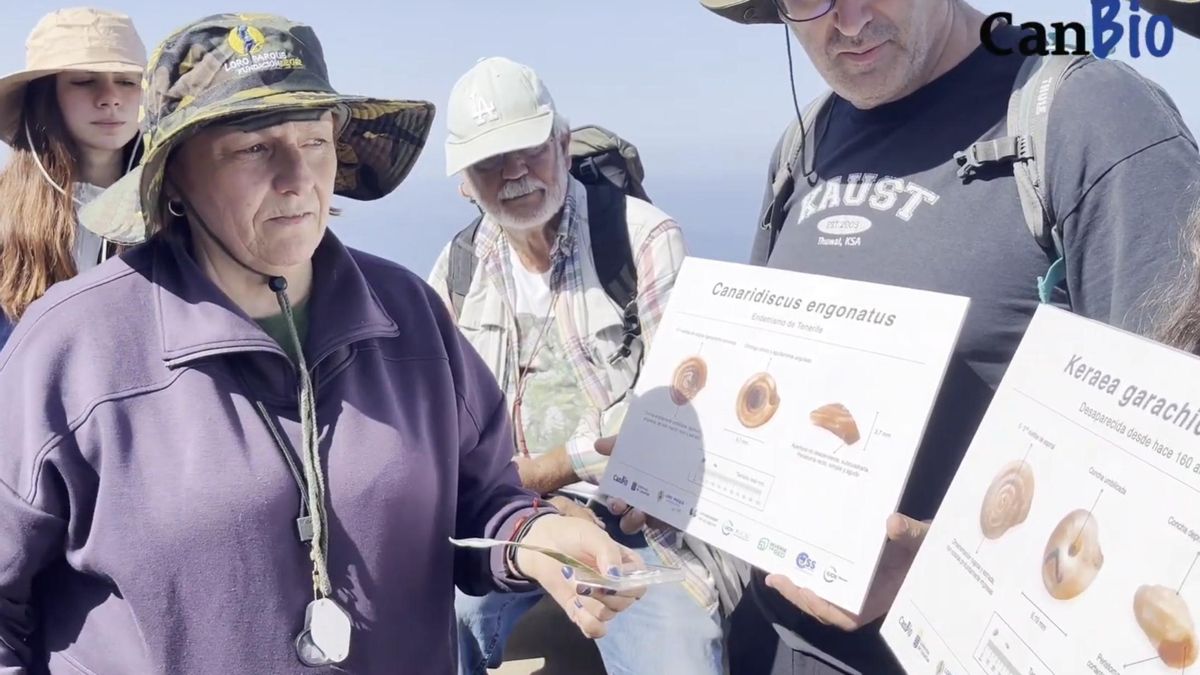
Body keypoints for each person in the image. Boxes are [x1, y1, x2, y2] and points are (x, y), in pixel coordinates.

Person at [0, 14, 646, 673]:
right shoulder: (71, 347)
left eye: (313, 141)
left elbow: (483, 500)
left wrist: (534, 538)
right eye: (253, 148)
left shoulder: (409, 316)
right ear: (174, 177)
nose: (297, 177)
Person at [694, 0, 1200, 673]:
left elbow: (1171, 492)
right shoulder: (804, 144)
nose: (844, 21)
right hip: (781, 648)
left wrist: (946, 563)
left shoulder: (1089, 120)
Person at [428, 56, 739, 675]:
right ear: (464, 181)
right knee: (438, 620)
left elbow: (684, 424)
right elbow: (436, 432)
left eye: (530, 149)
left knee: (674, 650)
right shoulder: (459, 272)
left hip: (639, 529)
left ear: (563, 145)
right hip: (517, 526)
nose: (515, 173)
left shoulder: (643, 241)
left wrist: (557, 470)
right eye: (491, 161)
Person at [0, 7, 145, 350]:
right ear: (44, 97)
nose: (110, 98)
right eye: (84, 81)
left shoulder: (179, 211)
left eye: (127, 82)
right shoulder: (5, 219)